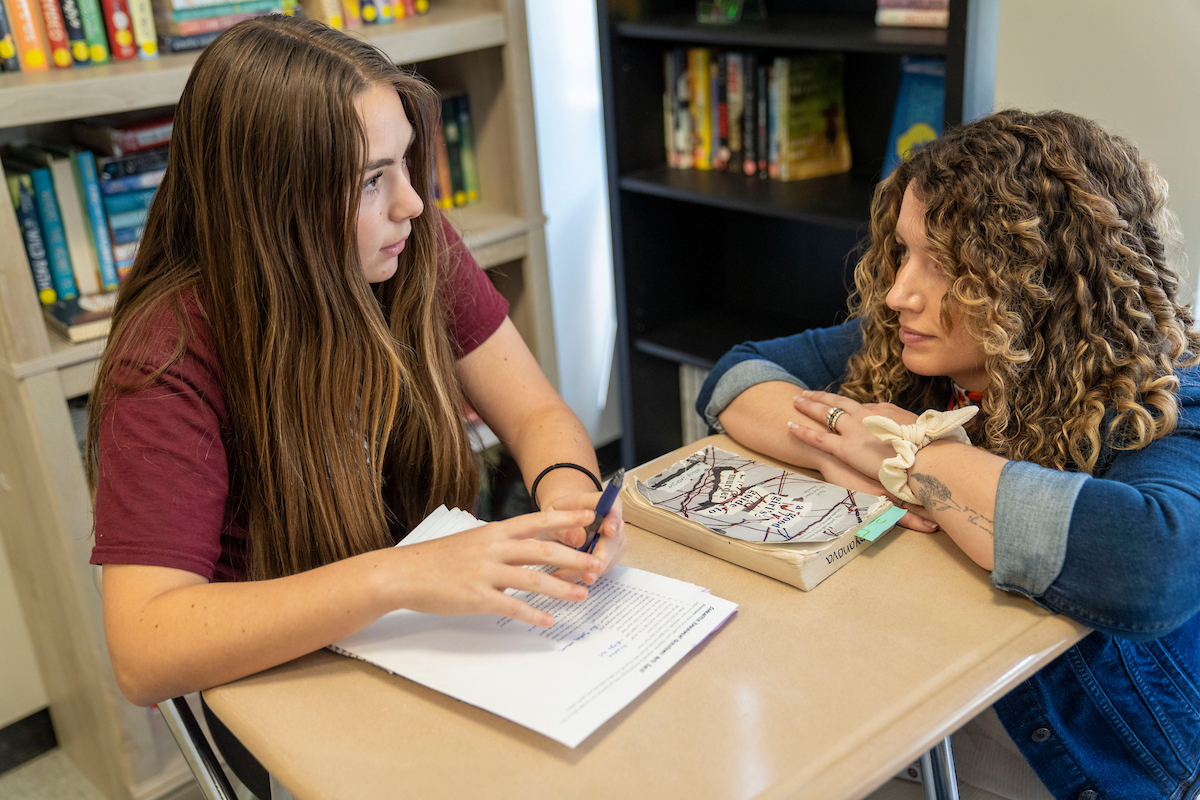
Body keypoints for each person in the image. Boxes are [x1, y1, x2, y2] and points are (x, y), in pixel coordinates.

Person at [86, 15, 626, 796]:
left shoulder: (410, 248)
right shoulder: (168, 355)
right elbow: (144, 647)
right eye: (373, 180)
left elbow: (537, 413)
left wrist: (572, 496)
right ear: (275, 203)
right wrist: (397, 577)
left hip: (431, 631)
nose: (412, 204)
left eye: (406, 163)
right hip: (291, 681)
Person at [697, 109, 1200, 800]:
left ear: (1039, 279)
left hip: (1077, 763)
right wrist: (839, 446)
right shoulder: (918, 348)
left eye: (946, 267)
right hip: (908, 718)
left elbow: (1152, 563)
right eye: (904, 252)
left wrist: (909, 457)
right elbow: (737, 377)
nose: (900, 292)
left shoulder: (1169, 392)